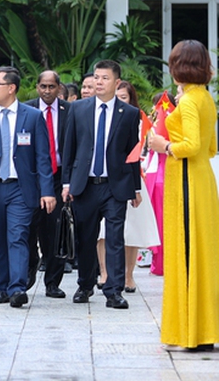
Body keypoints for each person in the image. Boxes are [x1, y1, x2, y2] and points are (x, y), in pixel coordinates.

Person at [149, 40, 219, 351]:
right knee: (202, 254)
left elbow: (191, 146)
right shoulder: (204, 97)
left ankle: (192, 332)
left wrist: (163, 145)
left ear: (178, 67)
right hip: (202, 180)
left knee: (187, 252)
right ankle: (204, 329)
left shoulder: (190, 101)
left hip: (187, 181)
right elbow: (211, 147)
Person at [0, 66, 55, 308]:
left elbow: (43, 157)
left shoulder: (32, 116)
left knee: (18, 235)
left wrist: (47, 191)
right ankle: (2, 287)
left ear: (11, 88)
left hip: (21, 188)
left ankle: (18, 288)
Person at [62, 60, 141, 310]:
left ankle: (114, 291)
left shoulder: (129, 113)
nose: (99, 82)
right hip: (85, 185)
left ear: (117, 82)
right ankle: (85, 285)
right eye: (96, 77)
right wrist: (66, 183)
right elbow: (69, 147)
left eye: (105, 78)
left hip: (115, 186)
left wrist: (135, 188)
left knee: (115, 238)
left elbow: (133, 153)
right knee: (86, 238)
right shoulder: (79, 109)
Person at [106, 81, 159, 293]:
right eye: (117, 96)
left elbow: (140, 148)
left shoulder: (138, 119)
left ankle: (129, 275)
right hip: (107, 178)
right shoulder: (104, 115)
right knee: (105, 231)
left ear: (131, 99)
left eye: (124, 97)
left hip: (132, 177)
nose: (120, 101)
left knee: (133, 228)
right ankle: (106, 273)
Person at [25, 70, 71, 298]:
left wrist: (69, 182)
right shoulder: (27, 110)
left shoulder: (69, 111)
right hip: (32, 177)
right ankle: (30, 268)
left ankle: (53, 282)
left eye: (51, 86)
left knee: (54, 230)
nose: (47, 91)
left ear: (59, 88)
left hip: (58, 178)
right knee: (28, 228)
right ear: (37, 87)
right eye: (43, 86)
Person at [145, 91, 176, 276]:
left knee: (161, 221)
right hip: (156, 174)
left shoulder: (166, 126)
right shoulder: (156, 126)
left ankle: (161, 263)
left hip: (161, 177)